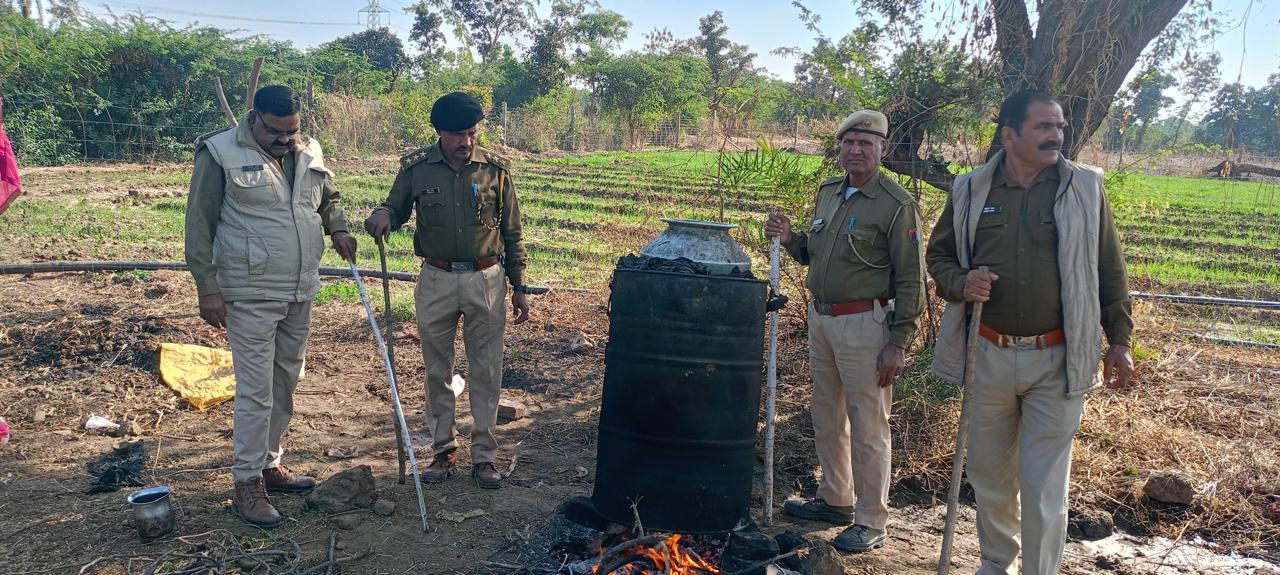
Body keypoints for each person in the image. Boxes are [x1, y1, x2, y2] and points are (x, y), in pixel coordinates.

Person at [926, 89, 1135, 575]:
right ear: (1010, 134)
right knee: (989, 474)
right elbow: (938, 257)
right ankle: (996, 564)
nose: (1056, 136)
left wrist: (1119, 340)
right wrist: (962, 282)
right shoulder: (971, 189)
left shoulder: (1084, 187)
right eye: (1044, 127)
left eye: (1059, 127)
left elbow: (1110, 268)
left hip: (1057, 359)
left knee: (1043, 485)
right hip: (988, 353)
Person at [185, 85, 357, 527]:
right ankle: (247, 483)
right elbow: (199, 224)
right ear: (254, 117)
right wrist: (208, 287)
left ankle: (268, 463)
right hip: (248, 292)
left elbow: (328, 198)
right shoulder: (219, 152)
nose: (286, 140)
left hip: (300, 288)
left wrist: (337, 228)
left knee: (286, 380)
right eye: (277, 132)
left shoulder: (308, 149)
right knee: (256, 389)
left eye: (292, 131)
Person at [765, 110, 926, 553]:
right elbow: (813, 253)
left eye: (866, 143)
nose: (856, 150)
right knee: (826, 415)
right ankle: (836, 498)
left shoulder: (895, 205)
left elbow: (912, 278)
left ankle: (871, 520)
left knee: (869, 425)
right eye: (849, 143)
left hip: (867, 326)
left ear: (883, 150)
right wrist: (789, 237)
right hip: (822, 319)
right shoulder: (829, 193)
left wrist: (898, 341)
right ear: (839, 148)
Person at [364, 91, 529, 490]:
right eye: (457, 134)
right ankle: (443, 451)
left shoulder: (495, 171)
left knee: (486, 370)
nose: (466, 142)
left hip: (486, 279)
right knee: (438, 369)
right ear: (439, 132)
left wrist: (519, 285)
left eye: (472, 133)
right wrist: (383, 215)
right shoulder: (417, 170)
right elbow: (396, 207)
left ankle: (485, 456)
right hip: (435, 280)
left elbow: (512, 232)